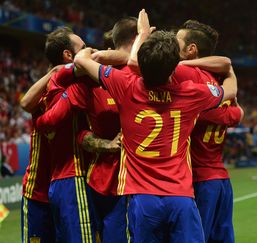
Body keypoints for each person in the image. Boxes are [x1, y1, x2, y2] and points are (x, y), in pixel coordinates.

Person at [73, 9, 238, 243]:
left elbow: (82, 59)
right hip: (180, 196)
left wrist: (138, 34)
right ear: (175, 68)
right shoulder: (191, 93)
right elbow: (230, 90)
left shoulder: (124, 85)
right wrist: (230, 72)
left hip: (142, 198)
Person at [34, 17, 139, 243]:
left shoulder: (138, 75)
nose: (93, 51)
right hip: (94, 181)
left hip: (129, 182)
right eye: (85, 48)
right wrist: (108, 146)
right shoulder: (82, 83)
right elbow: (67, 128)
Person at [175, 20, 244, 243]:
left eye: (176, 41)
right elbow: (238, 115)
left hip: (199, 179)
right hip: (221, 181)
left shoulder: (188, 75)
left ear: (191, 50)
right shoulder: (219, 82)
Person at [20, 26, 89, 243]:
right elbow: (24, 103)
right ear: (68, 55)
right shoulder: (44, 94)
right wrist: (52, 73)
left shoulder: (78, 86)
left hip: (66, 187)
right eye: (83, 48)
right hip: (38, 192)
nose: (88, 51)